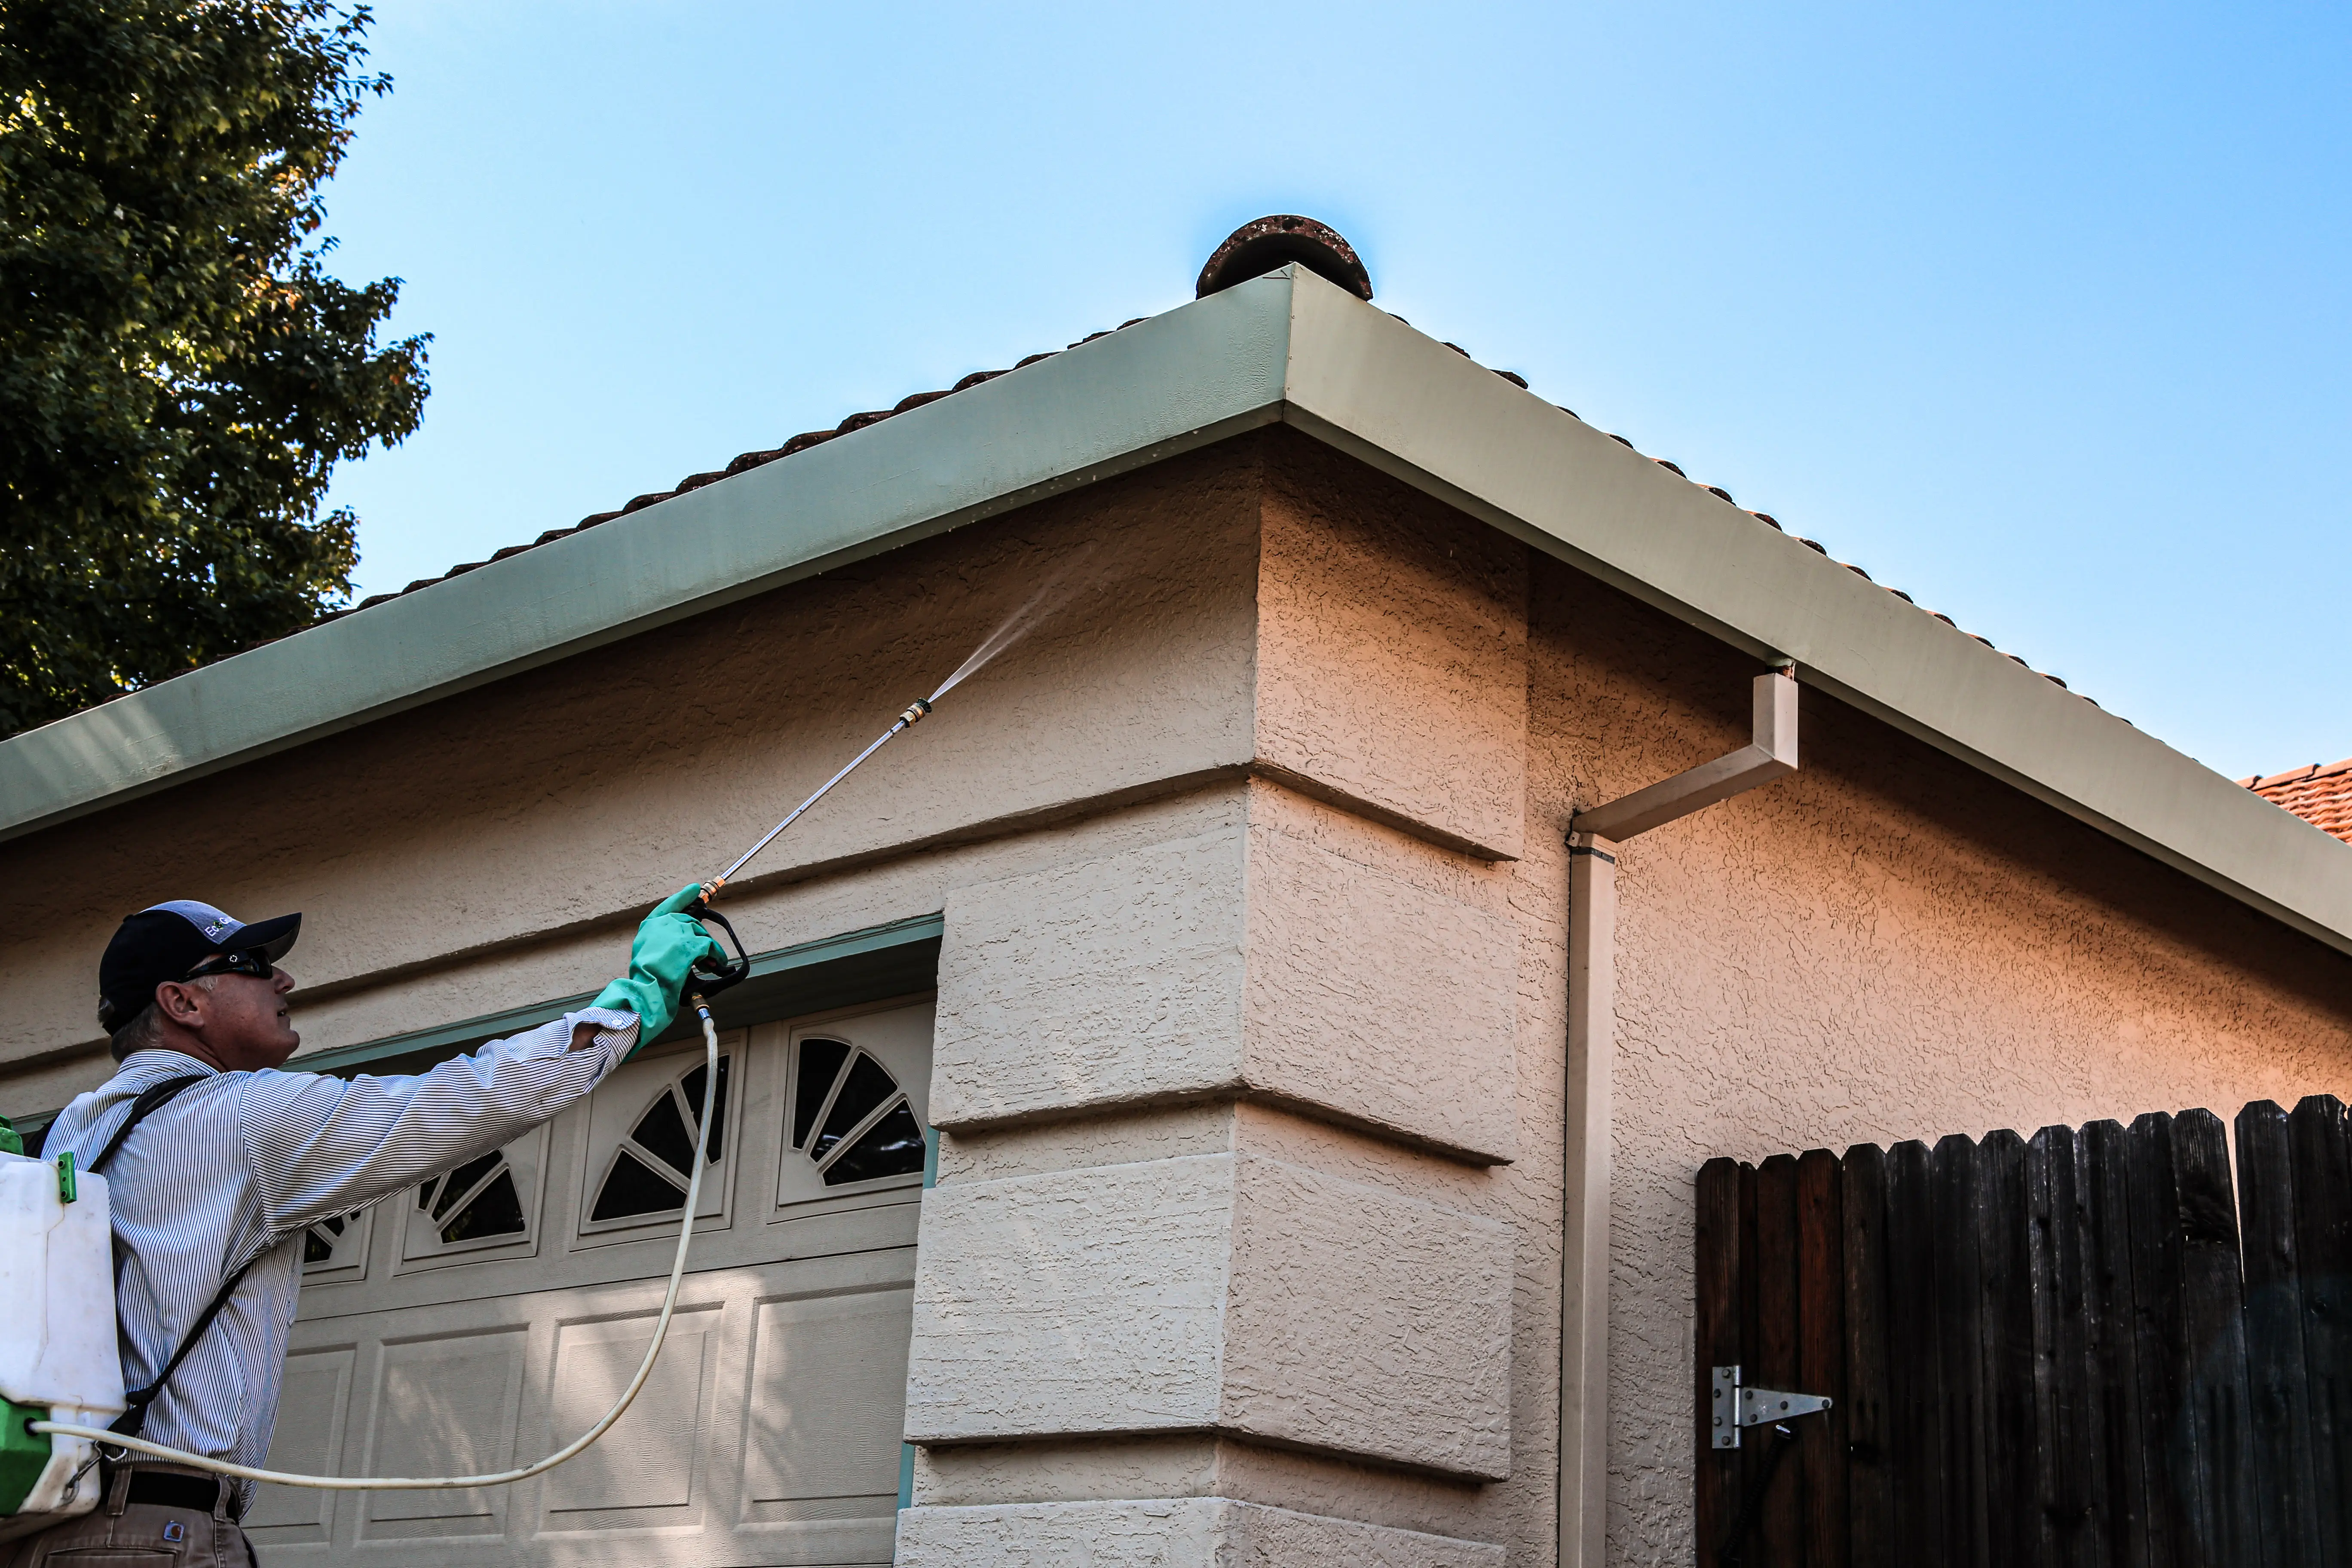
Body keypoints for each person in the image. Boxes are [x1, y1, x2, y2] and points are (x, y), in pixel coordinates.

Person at [8, 886, 723, 1567]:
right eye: (251, 966)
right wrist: (639, 998)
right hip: (151, 1536)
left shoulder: (71, 1136)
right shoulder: (240, 1116)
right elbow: (466, 1100)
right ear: (183, 1002)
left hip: (40, 1531)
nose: (282, 979)